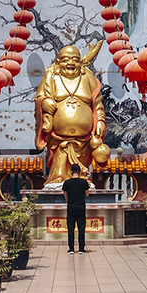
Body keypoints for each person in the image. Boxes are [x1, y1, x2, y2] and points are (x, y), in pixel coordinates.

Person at [35, 42, 106, 186]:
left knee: (82, 176)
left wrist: (100, 121)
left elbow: (97, 103)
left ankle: (83, 176)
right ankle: (57, 177)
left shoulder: (88, 77)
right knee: (59, 172)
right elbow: (39, 97)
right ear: (58, 62)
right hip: (58, 138)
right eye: (66, 59)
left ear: (80, 62)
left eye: (75, 59)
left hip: (84, 139)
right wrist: (44, 103)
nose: (70, 63)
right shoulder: (50, 78)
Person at [62, 163, 91, 253]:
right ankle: (81, 248)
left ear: (71, 172)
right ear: (79, 172)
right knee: (81, 227)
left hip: (71, 206)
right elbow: (87, 194)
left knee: (71, 227)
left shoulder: (67, 182)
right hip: (81, 206)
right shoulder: (84, 182)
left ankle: (71, 248)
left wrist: (67, 198)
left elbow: (65, 193)